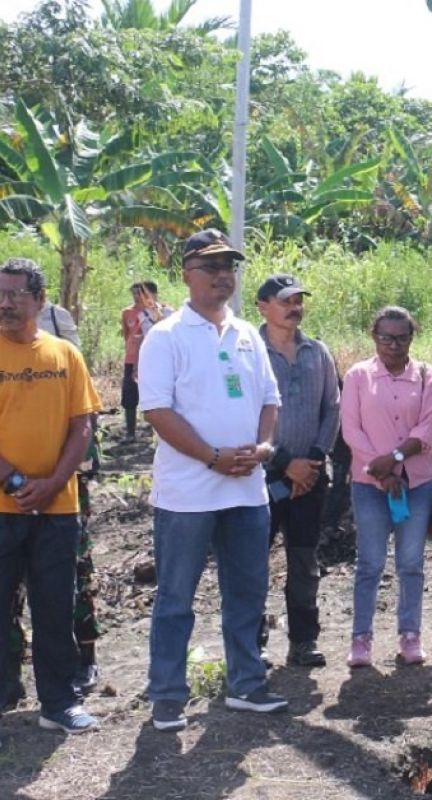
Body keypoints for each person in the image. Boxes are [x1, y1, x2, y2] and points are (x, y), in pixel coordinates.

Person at [138, 229, 287, 732]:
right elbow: (157, 411)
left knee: (246, 590)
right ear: (186, 274)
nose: (223, 276)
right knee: (176, 597)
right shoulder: (166, 336)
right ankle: (167, 696)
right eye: (211, 267)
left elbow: (270, 400)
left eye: (229, 267)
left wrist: (264, 447)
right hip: (188, 494)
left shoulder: (247, 334)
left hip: (247, 490)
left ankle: (246, 683)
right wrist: (213, 456)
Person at [0, 257, 101, 734]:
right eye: (1, 294)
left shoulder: (65, 354)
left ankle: (59, 703)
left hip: (59, 508)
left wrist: (55, 482)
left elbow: (82, 423)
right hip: (4, 505)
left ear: (40, 301)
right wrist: (16, 482)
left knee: (55, 606)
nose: (5, 303)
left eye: (16, 294)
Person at [340, 306, 432, 668]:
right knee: (369, 562)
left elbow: (427, 429)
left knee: (411, 562)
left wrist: (396, 458)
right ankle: (361, 638)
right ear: (374, 337)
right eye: (386, 338)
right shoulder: (357, 376)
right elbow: (351, 430)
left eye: (401, 338)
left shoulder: (427, 376)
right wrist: (381, 472)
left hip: (416, 483)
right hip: (370, 485)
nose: (393, 345)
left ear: (411, 337)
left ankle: (410, 635)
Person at [256, 275, 340, 668]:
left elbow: (333, 408)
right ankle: (251, 644)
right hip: (261, 477)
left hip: (310, 477)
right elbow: (243, 415)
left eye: (299, 300)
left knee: (304, 561)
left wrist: (314, 459)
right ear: (263, 306)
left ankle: (303, 641)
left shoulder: (317, 352)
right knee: (253, 560)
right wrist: (283, 461)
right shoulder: (248, 351)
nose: (295, 307)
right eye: (286, 301)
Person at [121, 282, 170, 440]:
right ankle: (130, 432)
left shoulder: (166, 312)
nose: (137, 298)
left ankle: (157, 432)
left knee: (156, 394)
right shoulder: (128, 313)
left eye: (141, 294)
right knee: (129, 395)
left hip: (155, 359)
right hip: (133, 358)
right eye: (134, 294)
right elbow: (128, 336)